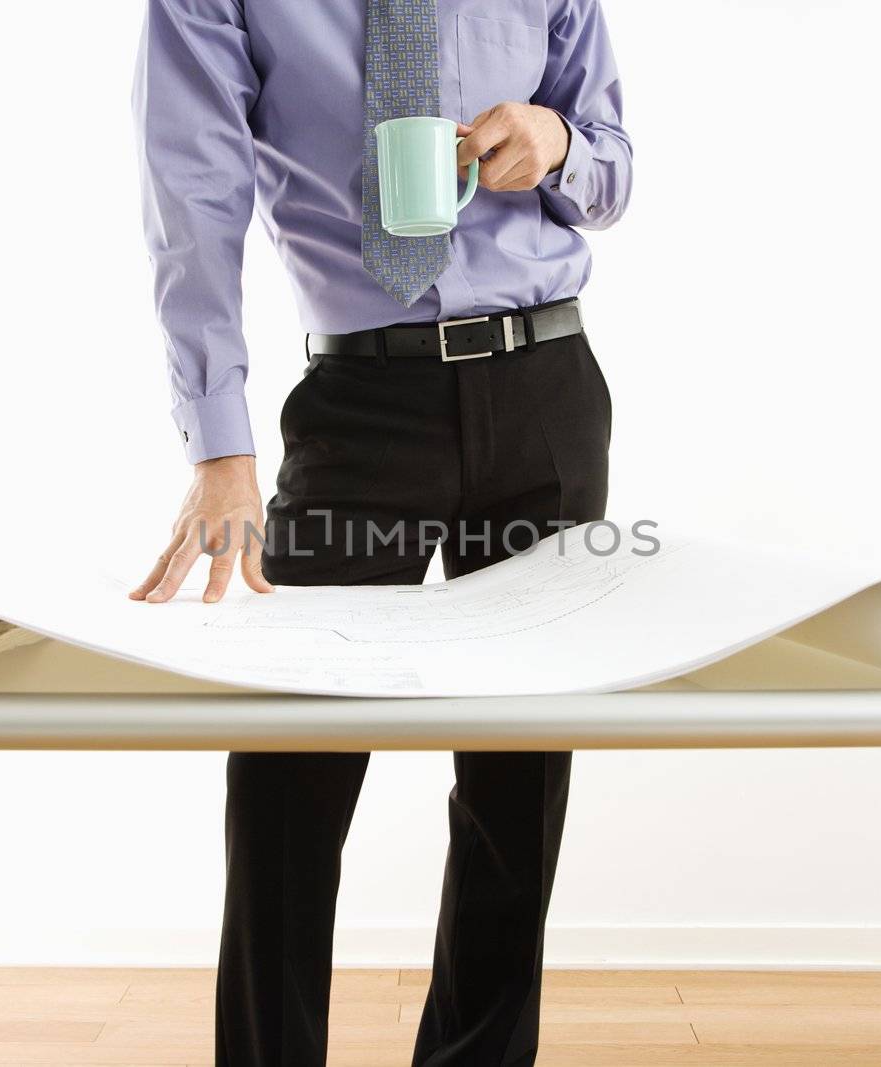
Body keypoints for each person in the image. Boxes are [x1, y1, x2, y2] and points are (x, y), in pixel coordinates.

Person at [129, 0, 631, 1061]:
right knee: (288, 776)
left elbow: (614, 168)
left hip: (545, 389)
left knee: (518, 781)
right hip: (362, 409)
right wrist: (219, 449)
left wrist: (558, 146)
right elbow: (193, 196)